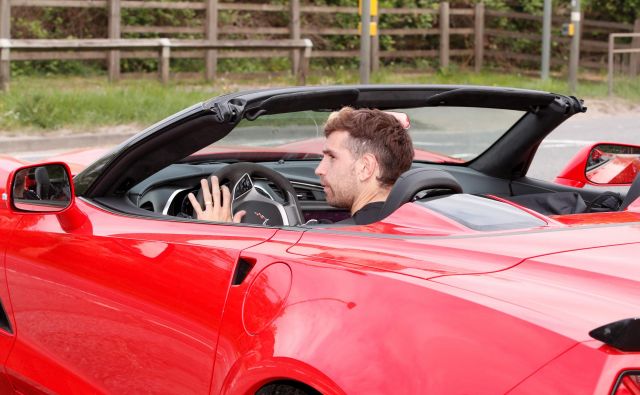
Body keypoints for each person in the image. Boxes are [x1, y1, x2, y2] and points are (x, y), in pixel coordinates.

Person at [188, 107, 414, 225]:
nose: (319, 170)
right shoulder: (414, 219)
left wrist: (222, 237)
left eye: (331, 157)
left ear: (366, 167)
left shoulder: (329, 244)